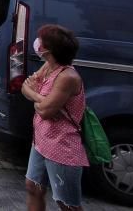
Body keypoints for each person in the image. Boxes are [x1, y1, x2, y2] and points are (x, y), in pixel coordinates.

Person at [22, 25, 88, 211]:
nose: (37, 43)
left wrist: (36, 97)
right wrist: (40, 98)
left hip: (62, 146)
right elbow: (25, 87)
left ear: (48, 49)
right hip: (42, 142)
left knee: (67, 204)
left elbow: (44, 111)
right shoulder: (49, 67)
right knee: (33, 187)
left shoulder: (67, 76)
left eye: (40, 40)